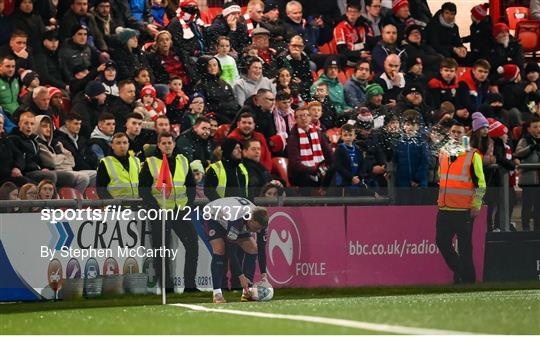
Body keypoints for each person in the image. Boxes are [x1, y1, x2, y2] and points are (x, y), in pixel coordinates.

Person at [138, 131, 198, 292]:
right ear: (158, 145)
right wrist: (155, 208)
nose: (167, 146)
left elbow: (191, 187)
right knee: (161, 251)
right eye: (163, 143)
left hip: (180, 211)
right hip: (160, 212)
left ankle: (190, 285)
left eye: (169, 143)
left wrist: (188, 205)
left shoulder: (183, 160)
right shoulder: (150, 163)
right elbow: (143, 191)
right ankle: (167, 287)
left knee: (192, 245)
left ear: (174, 143)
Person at [436, 121, 486, 283]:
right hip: (444, 208)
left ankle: (467, 279)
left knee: (465, 247)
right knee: (442, 242)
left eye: (459, 132)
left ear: (465, 135)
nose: (456, 135)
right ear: (449, 134)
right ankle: (462, 272)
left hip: (463, 209)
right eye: (453, 132)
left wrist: (476, 204)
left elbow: (481, 183)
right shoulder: (443, 153)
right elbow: (441, 177)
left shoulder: (472, 155)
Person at [205, 196, 269, 303]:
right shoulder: (236, 220)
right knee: (220, 248)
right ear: (251, 220)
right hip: (212, 217)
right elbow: (231, 251)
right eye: (257, 228)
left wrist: (264, 275)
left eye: (260, 229)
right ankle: (217, 293)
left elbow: (261, 249)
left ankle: (247, 292)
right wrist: (241, 276)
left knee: (253, 248)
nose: (258, 231)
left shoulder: (261, 223)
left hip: (229, 218)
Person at [287, 107, 333, 192]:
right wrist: (314, 170)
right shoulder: (293, 138)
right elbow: (295, 164)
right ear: (295, 120)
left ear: (310, 117)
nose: (304, 118)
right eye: (300, 116)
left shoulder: (318, 133)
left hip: (318, 169)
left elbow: (328, 152)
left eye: (306, 115)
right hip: (300, 173)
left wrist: (333, 166)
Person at [393, 110, 429, 204]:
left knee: (416, 209)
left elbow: (424, 162)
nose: (408, 127)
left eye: (411, 124)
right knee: (403, 208)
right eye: (406, 124)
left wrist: (417, 179)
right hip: (403, 183)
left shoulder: (422, 142)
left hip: (418, 184)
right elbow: (395, 160)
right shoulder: (399, 142)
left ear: (417, 126)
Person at [193, 55, 240, 125]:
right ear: (203, 68)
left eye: (215, 65)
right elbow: (203, 106)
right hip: (215, 118)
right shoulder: (201, 85)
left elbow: (232, 99)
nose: (213, 68)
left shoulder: (224, 83)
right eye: (209, 66)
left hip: (231, 115)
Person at [514, 116, 540, 231]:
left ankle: (537, 231)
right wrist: (531, 147)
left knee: (538, 208)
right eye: (535, 127)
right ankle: (525, 230)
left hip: (539, 180)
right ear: (529, 129)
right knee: (527, 207)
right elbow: (518, 153)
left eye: (539, 126)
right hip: (529, 180)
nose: (538, 129)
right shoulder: (525, 140)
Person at [96, 132, 141, 199]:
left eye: (125, 143)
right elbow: (101, 189)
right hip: (117, 206)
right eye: (118, 143)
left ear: (128, 145)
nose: (122, 146)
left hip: (136, 204)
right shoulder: (105, 162)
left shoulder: (136, 161)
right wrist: (112, 204)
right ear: (112, 146)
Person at [332, 123, 370, 196]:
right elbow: (338, 166)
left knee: (355, 204)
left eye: (350, 135)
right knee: (344, 203)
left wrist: (359, 177)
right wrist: (351, 177)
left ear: (354, 136)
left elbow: (362, 165)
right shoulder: (339, 149)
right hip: (343, 182)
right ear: (341, 136)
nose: (348, 137)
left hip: (356, 181)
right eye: (345, 135)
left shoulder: (358, 150)